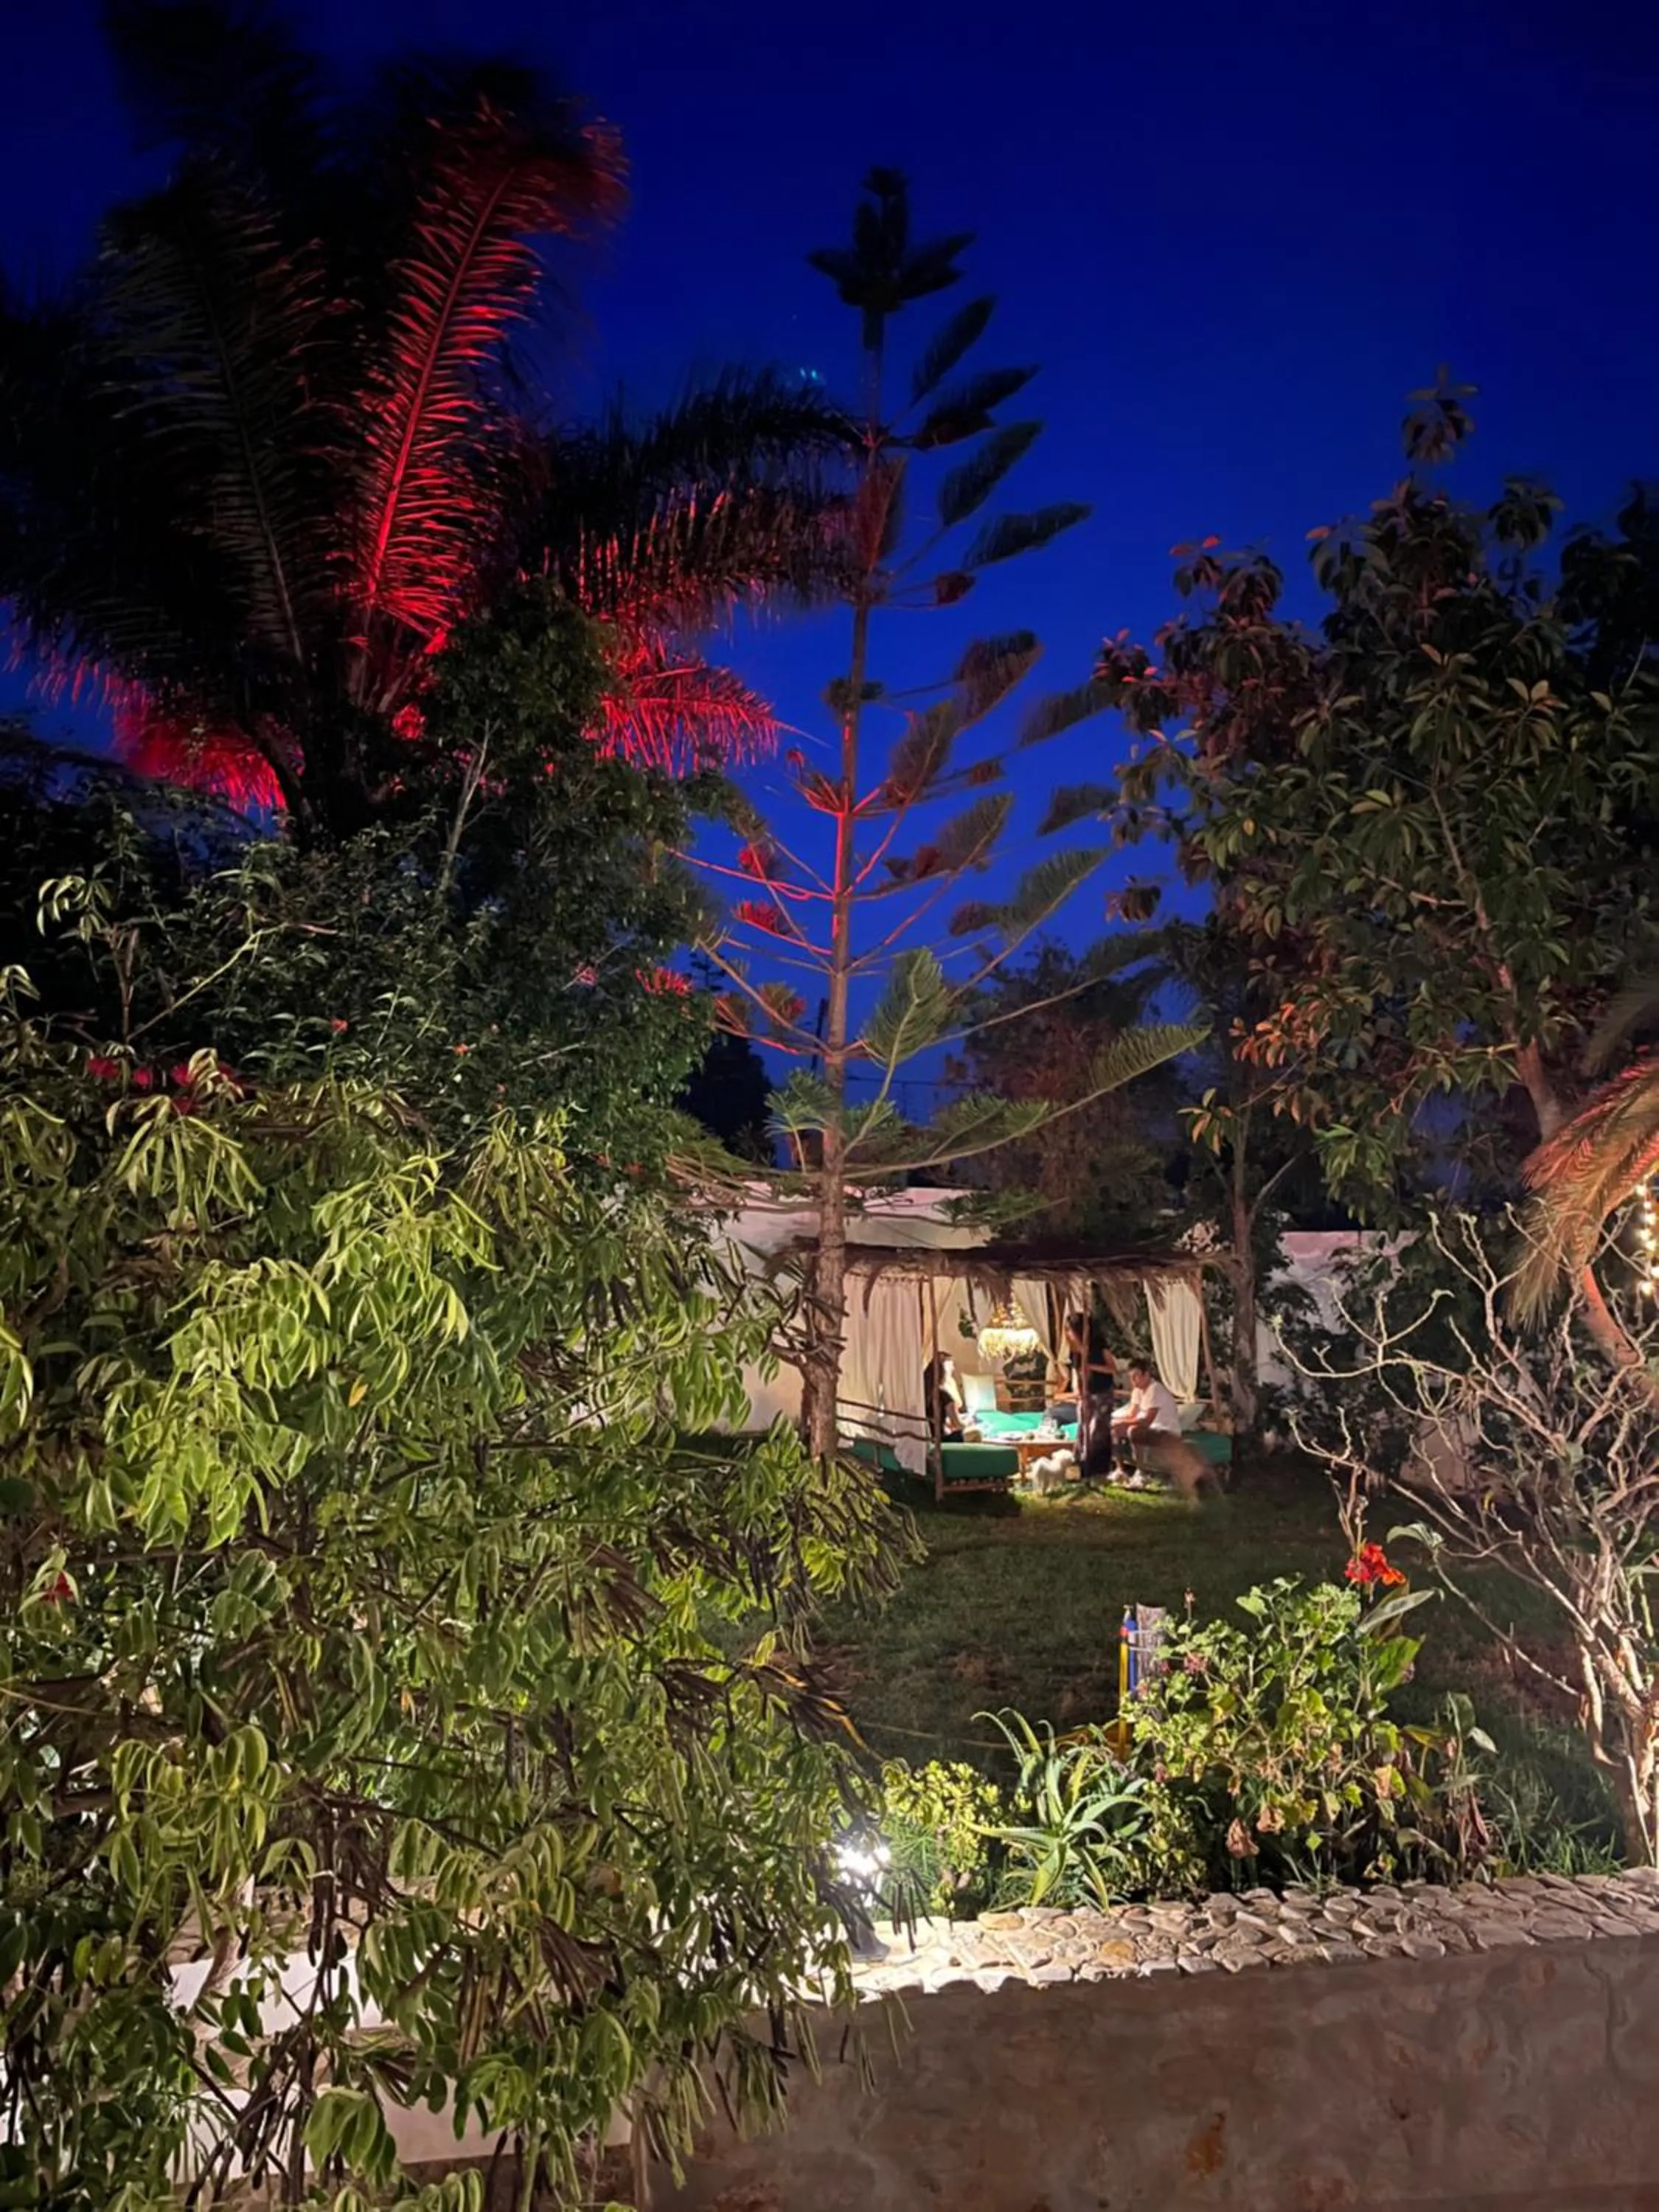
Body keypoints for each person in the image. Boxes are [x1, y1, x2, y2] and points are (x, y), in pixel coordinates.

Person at [1113, 1359, 1211, 1502]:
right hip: (1152, 1429)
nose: (1134, 1381)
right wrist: (1117, 1422)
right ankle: (1120, 1470)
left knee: (1134, 1431)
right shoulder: (1137, 1391)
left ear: (1147, 1375)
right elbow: (1132, 1414)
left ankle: (1142, 1472)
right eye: (1131, 1377)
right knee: (1115, 1430)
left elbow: (1147, 1421)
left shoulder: (1155, 1390)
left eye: (1137, 1376)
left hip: (1165, 1430)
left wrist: (1124, 1424)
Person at [1064, 1312, 1116, 1479]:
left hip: (1102, 1392)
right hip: (1087, 1394)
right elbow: (1078, 1375)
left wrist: (1092, 1367)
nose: (1069, 1334)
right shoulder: (1075, 1353)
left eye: (1070, 1330)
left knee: (1097, 1430)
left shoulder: (1099, 1347)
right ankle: (1081, 1465)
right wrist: (1080, 1393)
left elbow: (1113, 1369)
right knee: (1083, 1429)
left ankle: (1099, 1468)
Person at [922, 1352, 964, 1442]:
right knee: (972, 1434)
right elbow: (958, 1424)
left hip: (925, 1439)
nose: (953, 1368)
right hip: (940, 1441)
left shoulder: (922, 1392)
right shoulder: (943, 1395)